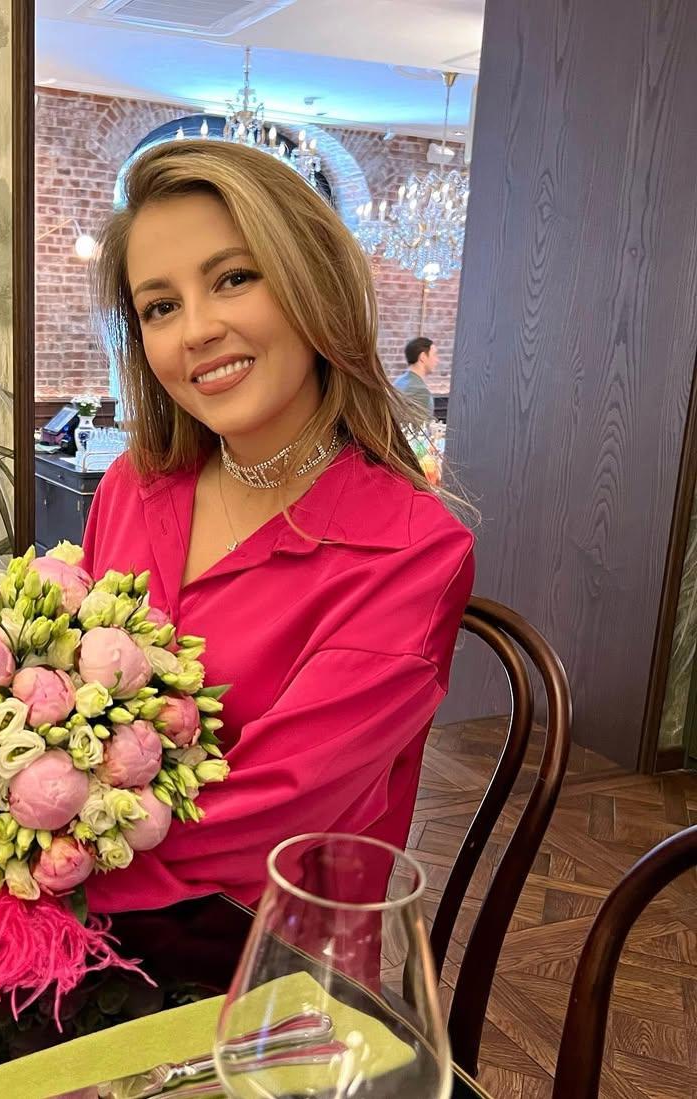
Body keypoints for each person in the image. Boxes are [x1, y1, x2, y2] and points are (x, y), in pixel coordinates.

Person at [82, 139, 474, 913]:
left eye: (233, 279)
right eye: (161, 307)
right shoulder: (133, 485)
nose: (195, 331)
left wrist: (22, 856)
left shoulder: (410, 550)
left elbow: (269, 820)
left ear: (313, 285)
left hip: (271, 958)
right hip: (74, 923)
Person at [394, 336, 438, 424]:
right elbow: (419, 430)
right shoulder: (420, 391)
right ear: (423, 357)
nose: (437, 360)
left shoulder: (399, 382)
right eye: (434, 355)